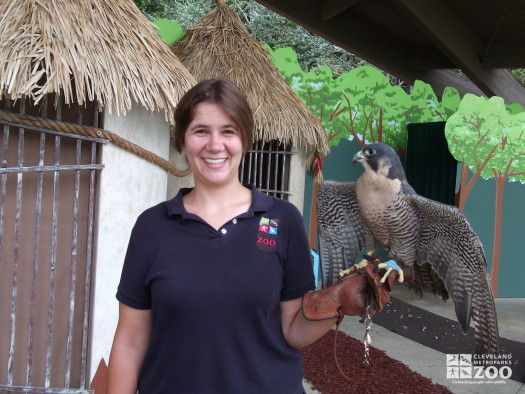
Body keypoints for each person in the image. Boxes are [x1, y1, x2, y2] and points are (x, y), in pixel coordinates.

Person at [106, 79, 393, 394]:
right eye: (201, 131)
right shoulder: (152, 227)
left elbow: (292, 330)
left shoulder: (283, 220)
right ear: (182, 141)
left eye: (228, 131)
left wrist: (337, 302)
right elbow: (131, 341)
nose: (215, 145)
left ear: (244, 139)